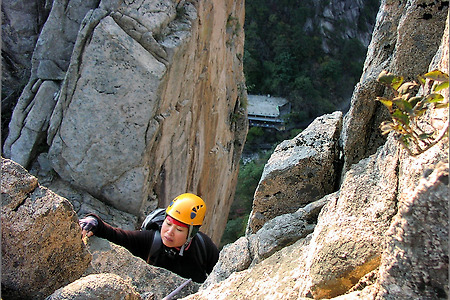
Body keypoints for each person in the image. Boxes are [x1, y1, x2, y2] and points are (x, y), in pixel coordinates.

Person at [79, 193, 219, 283]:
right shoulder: (151, 240)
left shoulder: (203, 246)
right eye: (168, 224)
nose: (169, 232)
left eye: (179, 229)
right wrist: (94, 222)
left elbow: (222, 273)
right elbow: (117, 236)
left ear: (191, 234)